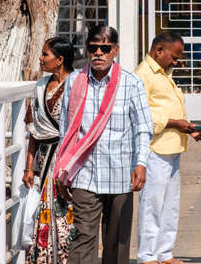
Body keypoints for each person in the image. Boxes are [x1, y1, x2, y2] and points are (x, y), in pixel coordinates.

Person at [55, 25, 153, 264]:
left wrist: (141, 164)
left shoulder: (131, 83)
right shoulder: (74, 82)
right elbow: (66, 131)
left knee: (117, 242)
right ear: (87, 50)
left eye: (105, 48)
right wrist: (62, 171)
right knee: (82, 238)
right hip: (83, 174)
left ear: (115, 51)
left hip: (121, 175)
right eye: (93, 47)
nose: (98, 53)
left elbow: (143, 128)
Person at [135, 32, 201, 264]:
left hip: (173, 147)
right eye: (174, 57)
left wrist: (188, 128)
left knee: (170, 204)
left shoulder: (165, 74)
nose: (176, 62)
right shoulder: (143, 75)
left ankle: (164, 253)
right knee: (152, 204)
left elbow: (170, 108)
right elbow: (142, 116)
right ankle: (146, 256)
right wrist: (175, 123)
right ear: (158, 51)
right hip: (155, 150)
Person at [22, 37, 77, 264]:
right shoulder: (40, 86)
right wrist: (28, 167)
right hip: (44, 162)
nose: (40, 58)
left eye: (45, 54)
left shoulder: (77, 84)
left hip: (69, 160)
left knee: (66, 215)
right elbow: (35, 130)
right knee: (41, 212)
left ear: (60, 60)